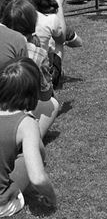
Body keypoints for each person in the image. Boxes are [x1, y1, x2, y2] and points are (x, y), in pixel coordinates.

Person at [0, 58, 57, 216]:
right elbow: (37, 178)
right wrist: (52, 198)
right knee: (28, 158)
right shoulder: (26, 124)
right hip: (3, 205)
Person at [1, 0, 60, 137]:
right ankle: (30, 138)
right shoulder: (38, 53)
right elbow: (45, 95)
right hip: (17, 109)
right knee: (52, 104)